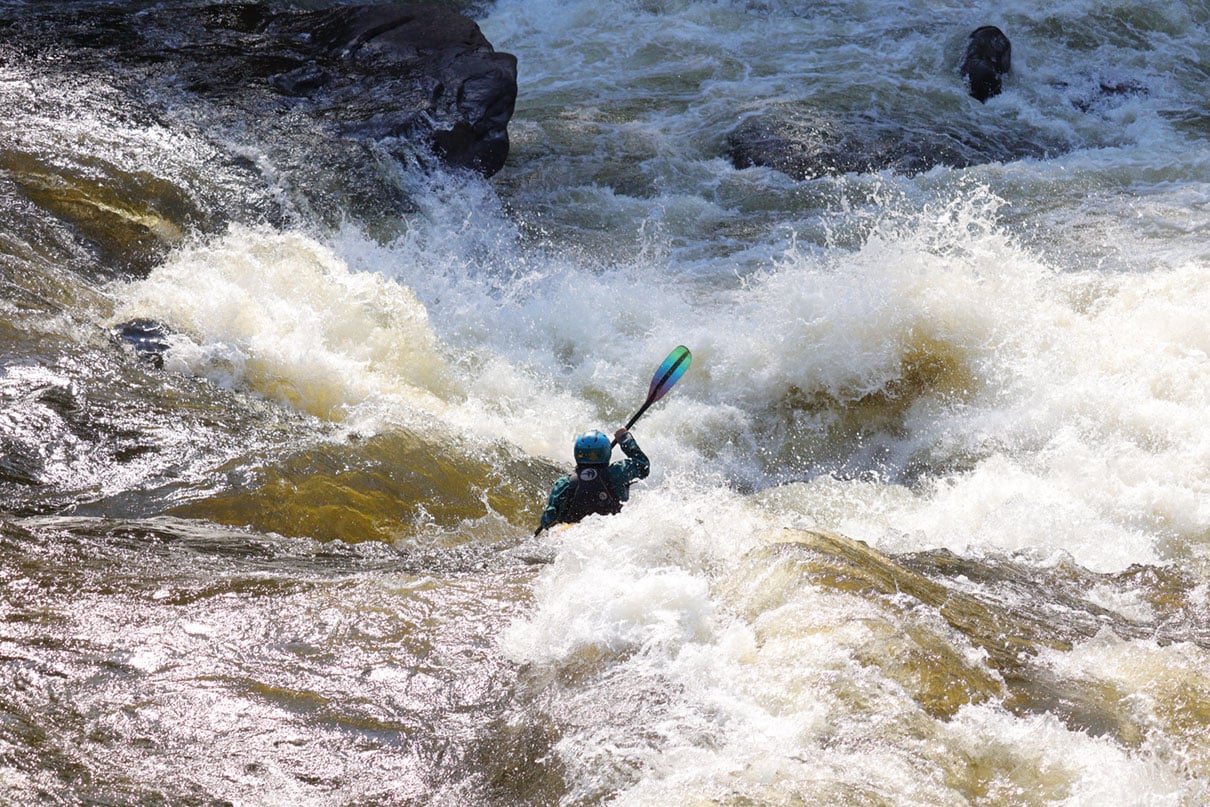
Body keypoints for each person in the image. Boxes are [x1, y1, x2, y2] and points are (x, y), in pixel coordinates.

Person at [535, 427, 650, 534]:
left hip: (574, 535)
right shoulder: (618, 472)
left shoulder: (564, 483)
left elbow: (548, 521)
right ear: (606, 452)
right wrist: (625, 439)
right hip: (611, 531)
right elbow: (643, 466)